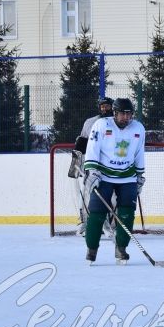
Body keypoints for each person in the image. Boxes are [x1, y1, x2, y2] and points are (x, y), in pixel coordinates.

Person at [82, 98, 146, 264]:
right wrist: (92, 171)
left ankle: (121, 248)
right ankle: (92, 249)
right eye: (122, 114)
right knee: (96, 213)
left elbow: (139, 153)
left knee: (127, 214)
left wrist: (140, 176)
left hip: (128, 177)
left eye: (129, 114)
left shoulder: (138, 128)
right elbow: (92, 149)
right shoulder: (102, 125)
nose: (126, 117)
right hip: (103, 176)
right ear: (115, 113)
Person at [69, 96, 113, 236]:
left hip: (110, 167)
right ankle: (86, 222)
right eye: (102, 106)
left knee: (110, 196)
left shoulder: (116, 122)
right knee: (86, 194)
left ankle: (109, 224)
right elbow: (81, 142)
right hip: (92, 165)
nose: (104, 108)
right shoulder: (90, 122)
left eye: (107, 105)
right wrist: (75, 164)